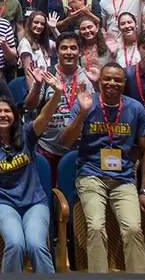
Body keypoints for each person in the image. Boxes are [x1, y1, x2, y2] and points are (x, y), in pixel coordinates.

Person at [60, 63, 145, 273]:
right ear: (100, 81)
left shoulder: (135, 108)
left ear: (124, 83)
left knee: (132, 229)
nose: (112, 83)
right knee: (95, 227)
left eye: (117, 80)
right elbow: (65, 142)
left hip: (124, 178)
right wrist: (82, 114)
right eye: (108, 79)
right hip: (90, 174)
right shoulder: (86, 102)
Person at [0, 78, 61, 273]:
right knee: (15, 244)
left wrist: (57, 94)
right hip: (4, 203)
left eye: (7, 111)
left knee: (36, 245)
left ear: (14, 114)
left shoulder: (28, 134)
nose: (3, 115)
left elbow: (44, 116)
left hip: (34, 203)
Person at [25, 32, 94, 185]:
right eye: (64, 48)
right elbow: (29, 106)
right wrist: (37, 86)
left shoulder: (88, 78)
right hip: (47, 148)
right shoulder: (47, 74)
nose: (68, 52)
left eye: (73, 48)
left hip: (77, 150)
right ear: (57, 52)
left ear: (80, 51)